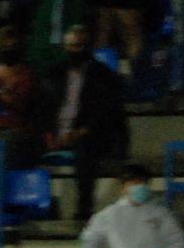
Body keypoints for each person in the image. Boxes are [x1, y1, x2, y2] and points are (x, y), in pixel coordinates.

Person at [45, 25, 129, 219]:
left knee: (86, 150)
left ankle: (84, 208)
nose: (76, 50)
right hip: (56, 132)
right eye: (72, 46)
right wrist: (49, 132)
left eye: (81, 46)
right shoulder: (55, 73)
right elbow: (43, 107)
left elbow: (105, 114)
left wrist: (79, 132)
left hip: (88, 134)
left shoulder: (102, 74)